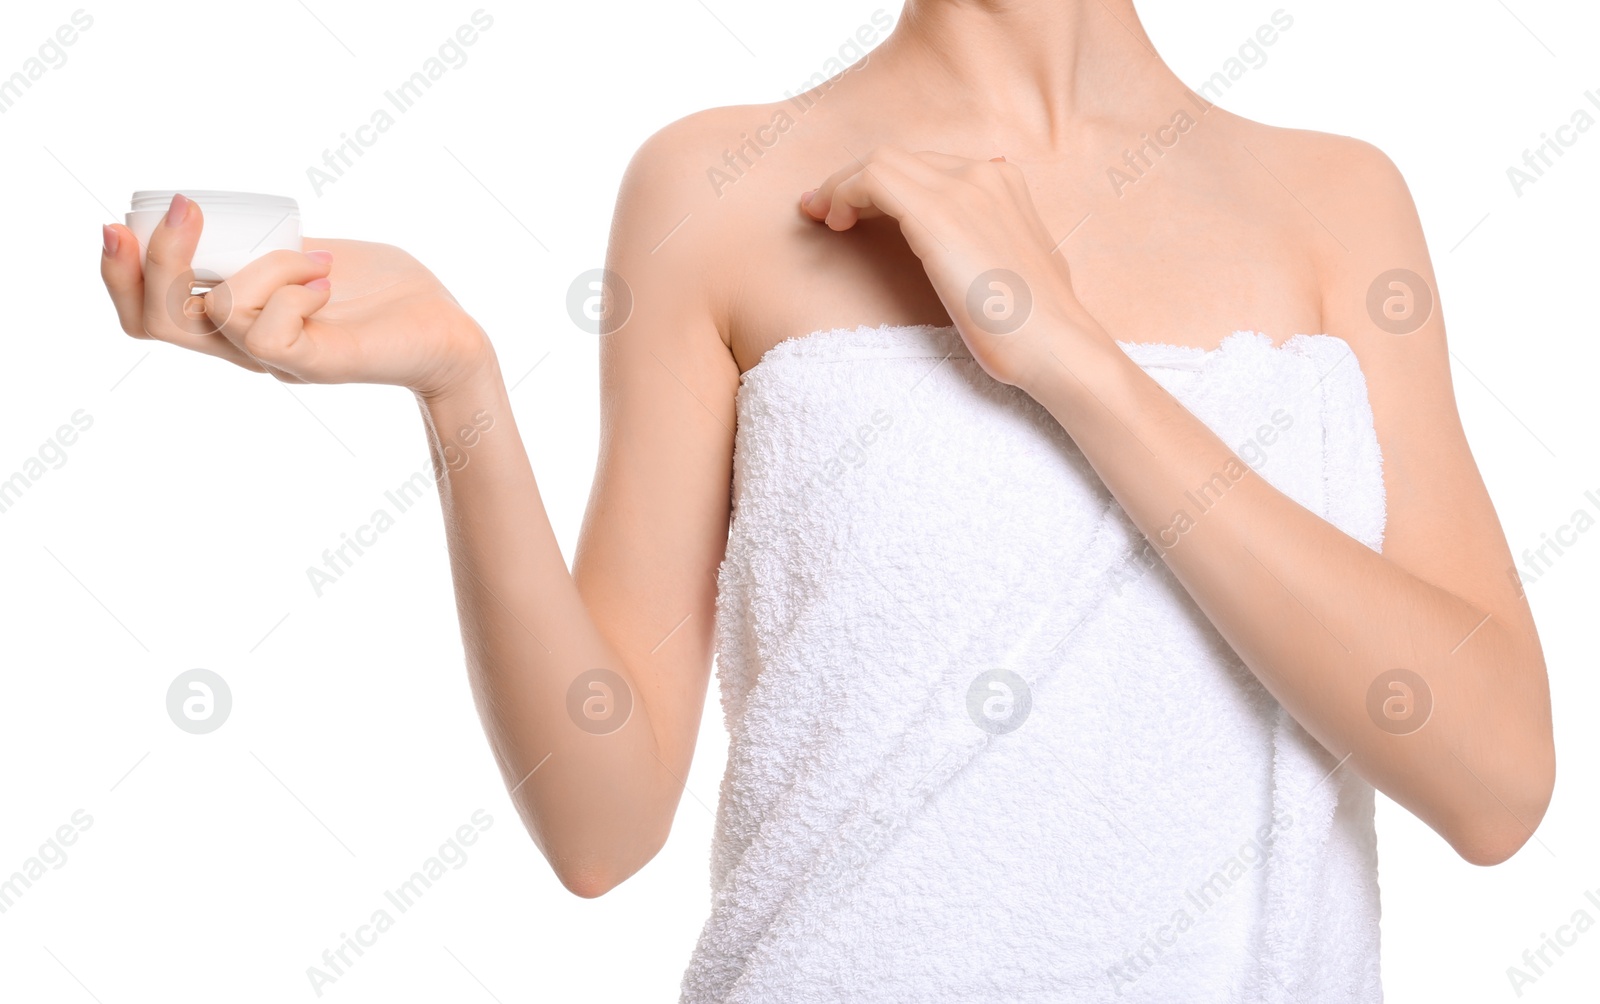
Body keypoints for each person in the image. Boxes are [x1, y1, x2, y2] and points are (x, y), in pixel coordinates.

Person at [98, 1, 1553, 999]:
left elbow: (1494, 782)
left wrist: (1068, 359)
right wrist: (460, 391)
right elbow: (602, 823)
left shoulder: (1335, 207)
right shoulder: (723, 189)